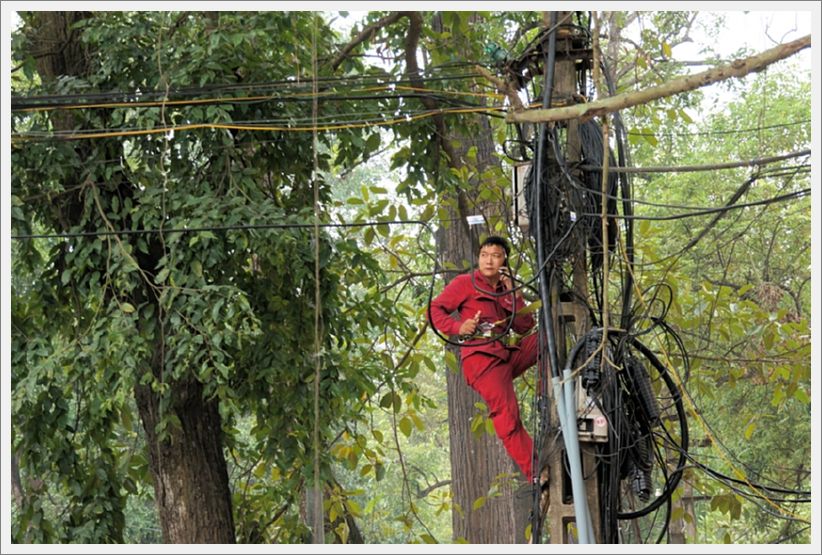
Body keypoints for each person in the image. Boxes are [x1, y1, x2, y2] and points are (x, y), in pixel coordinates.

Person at [429, 236, 539, 483]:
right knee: (507, 414)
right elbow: (434, 310)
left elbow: (524, 326)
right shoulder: (465, 283)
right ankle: (536, 473)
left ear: (504, 261)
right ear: (478, 258)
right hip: (482, 360)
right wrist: (458, 326)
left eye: (496, 255)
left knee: (545, 340)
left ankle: (548, 395)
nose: (489, 260)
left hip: (505, 355)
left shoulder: (506, 287)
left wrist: (513, 295)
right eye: (484, 255)